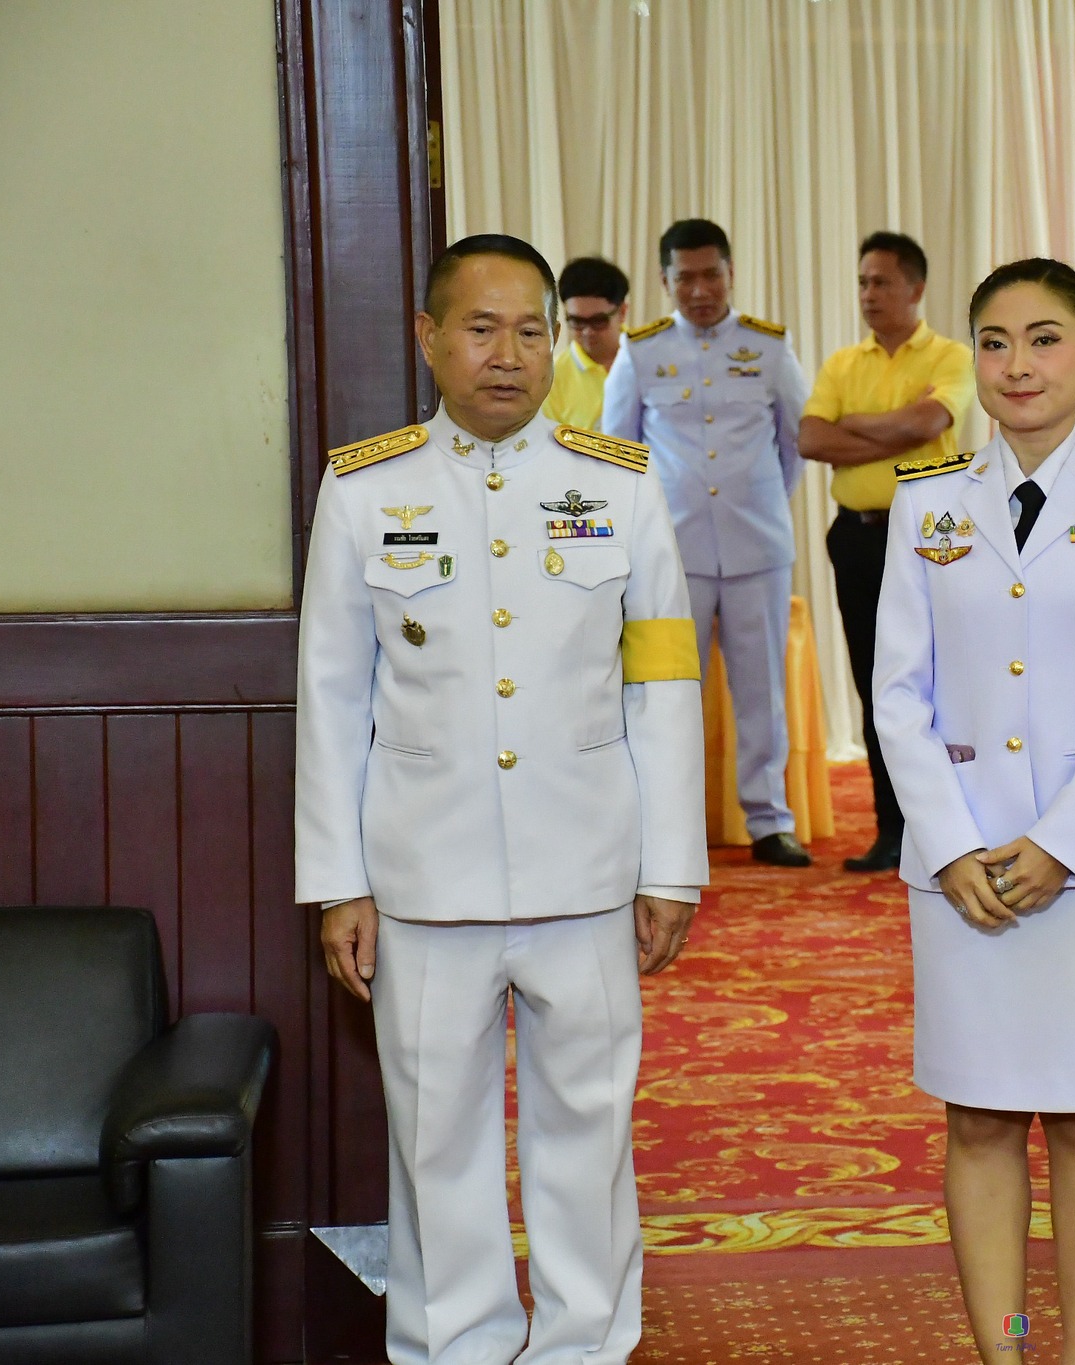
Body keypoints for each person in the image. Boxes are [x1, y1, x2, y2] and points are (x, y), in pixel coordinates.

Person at [298, 234, 708, 1365]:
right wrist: (338, 883)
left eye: (531, 330)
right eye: (480, 330)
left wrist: (671, 864)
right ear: (428, 339)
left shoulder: (617, 484)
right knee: (435, 1143)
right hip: (422, 878)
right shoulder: (365, 488)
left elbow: (663, 684)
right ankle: (454, 1347)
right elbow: (332, 695)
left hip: (588, 868)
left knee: (590, 1132)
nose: (509, 355)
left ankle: (585, 1346)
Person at [873, 258, 1075, 1365]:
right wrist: (952, 844)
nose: (1018, 365)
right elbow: (897, 697)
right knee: (979, 1117)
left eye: (1045, 339)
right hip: (962, 873)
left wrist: (1058, 846)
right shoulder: (926, 503)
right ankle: (1005, 1350)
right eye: (996, 341)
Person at [602, 218, 813, 867]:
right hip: (673, 553)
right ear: (665, 281)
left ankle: (769, 820)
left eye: (711, 275)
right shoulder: (640, 353)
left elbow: (796, 443)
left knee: (762, 691)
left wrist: (757, 502)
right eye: (685, 278)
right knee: (668, 692)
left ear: (731, 274)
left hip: (757, 547)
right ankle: (667, 823)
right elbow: (620, 455)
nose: (699, 290)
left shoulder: (769, 348)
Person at [801, 231, 977, 871]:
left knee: (942, 682)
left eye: (881, 282)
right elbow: (810, 439)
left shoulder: (953, 356)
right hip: (856, 536)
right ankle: (892, 829)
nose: (869, 294)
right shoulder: (842, 364)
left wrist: (855, 426)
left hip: (934, 537)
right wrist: (895, 431)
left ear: (916, 288)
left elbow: (929, 424)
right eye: (862, 282)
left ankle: (953, 822)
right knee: (878, 684)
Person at [542, 256, 629, 429]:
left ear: (622, 313)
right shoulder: (551, 378)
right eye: (577, 321)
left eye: (598, 321)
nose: (588, 332)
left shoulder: (650, 357)